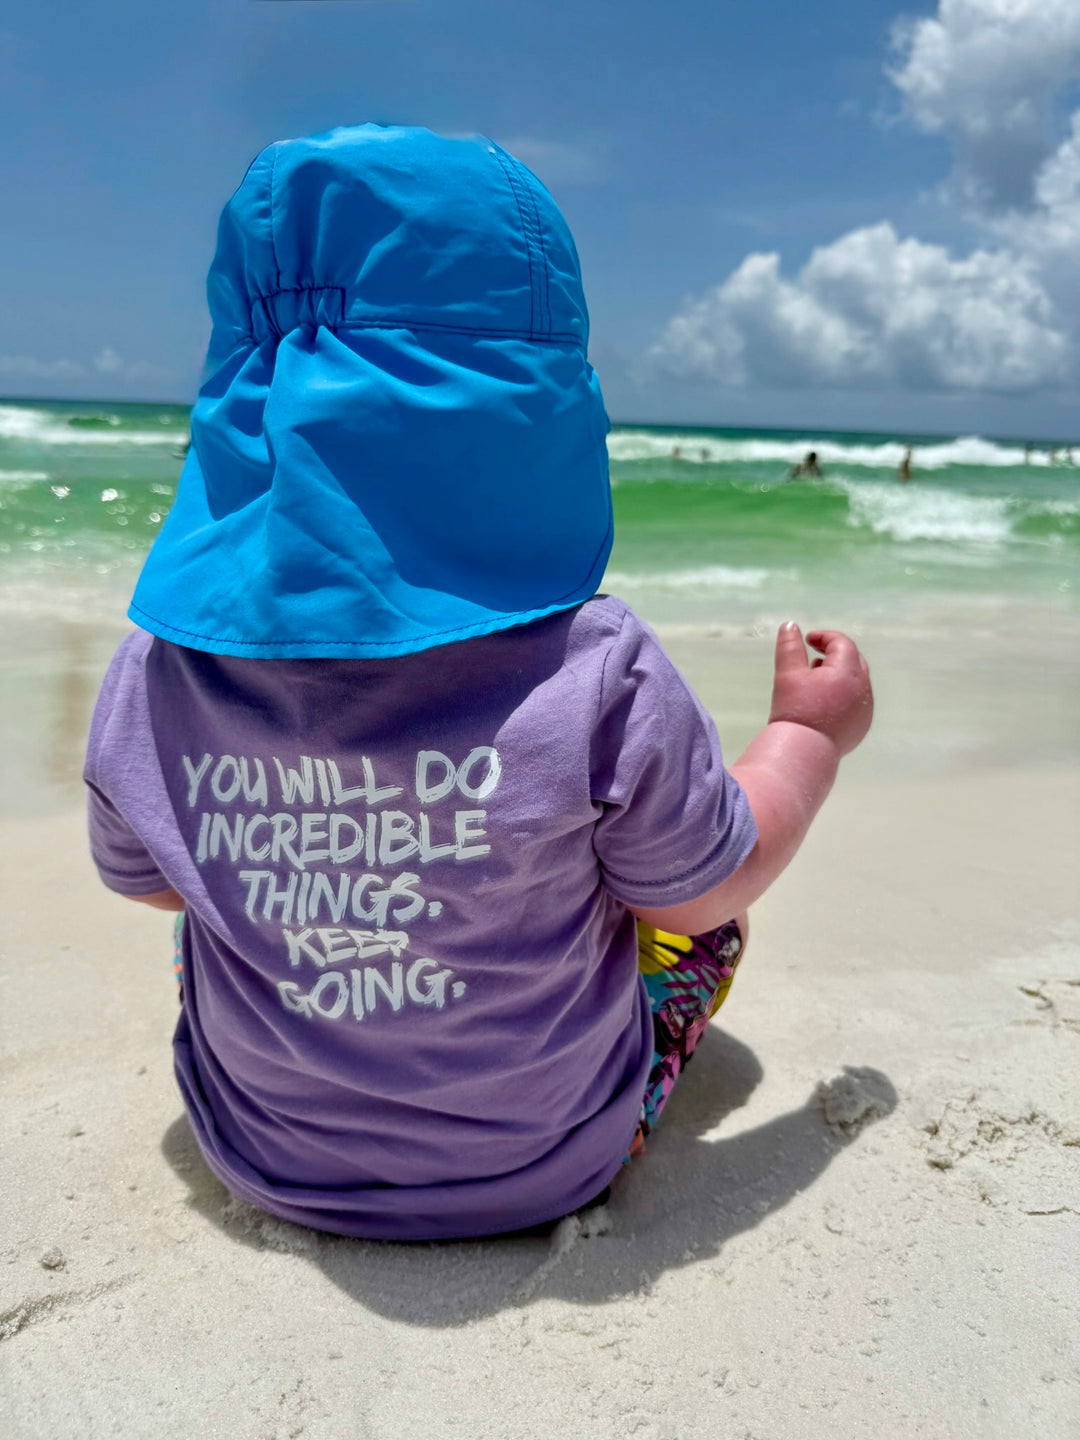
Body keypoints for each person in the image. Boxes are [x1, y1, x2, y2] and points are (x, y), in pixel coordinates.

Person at [83, 126, 873, 1242]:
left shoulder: (154, 667)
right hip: (548, 1166)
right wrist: (808, 738)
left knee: (208, 915)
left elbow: (154, 889)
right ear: (544, 406)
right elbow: (702, 892)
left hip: (259, 1152)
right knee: (704, 925)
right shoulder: (595, 667)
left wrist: (322, 881)